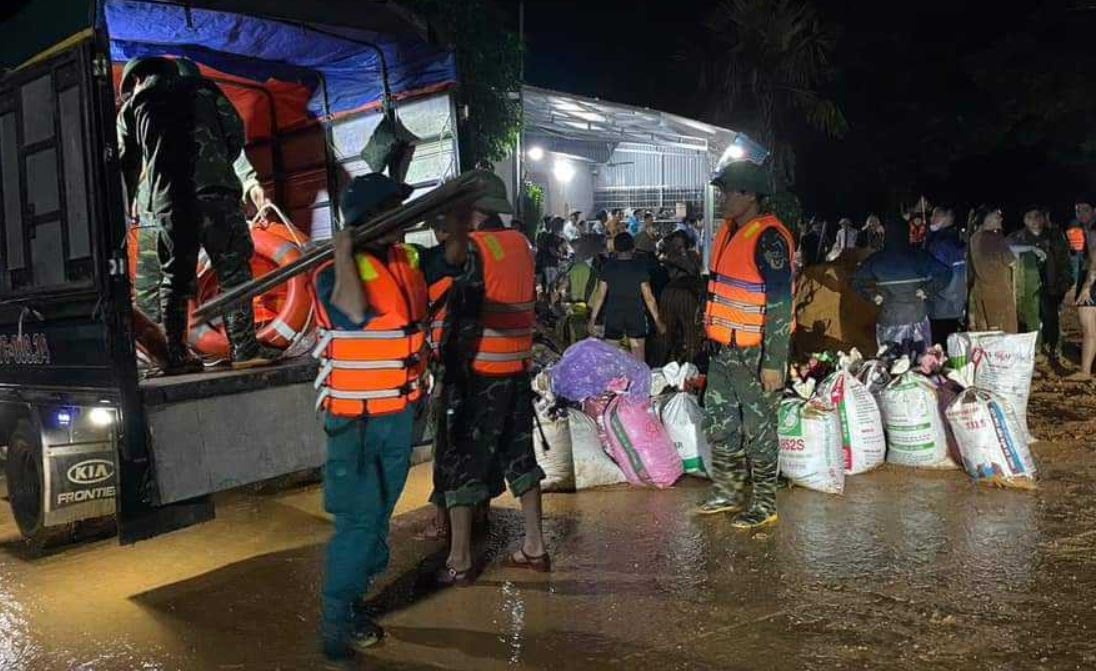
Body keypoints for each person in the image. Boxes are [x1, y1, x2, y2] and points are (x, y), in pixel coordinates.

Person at [311, 173, 468, 660]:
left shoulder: (409, 258)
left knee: (377, 520)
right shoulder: (331, 271)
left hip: (397, 417)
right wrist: (343, 249)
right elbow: (353, 311)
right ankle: (336, 626)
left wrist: (458, 217)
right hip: (354, 425)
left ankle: (353, 603)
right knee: (358, 524)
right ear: (370, 218)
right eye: (392, 210)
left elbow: (454, 259)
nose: (402, 218)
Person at [116, 56, 277, 375]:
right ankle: (244, 349)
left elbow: (126, 164)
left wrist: (131, 201)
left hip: (170, 203)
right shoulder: (205, 89)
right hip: (217, 195)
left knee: (174, 281)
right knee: (233, 272)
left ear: (136, 80)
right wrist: (214, 163)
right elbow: (234, 133)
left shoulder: (134, 107)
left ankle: (176, 357)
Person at [434, 171, 548, 585]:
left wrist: (446, 371)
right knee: (520, 454)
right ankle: (535, 545)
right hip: (516, 371)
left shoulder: (475, 251)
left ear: (475, 210)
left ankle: (460, 559)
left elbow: (463, 320)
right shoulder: (521, 244)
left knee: (462, 461)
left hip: (478, 376)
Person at [699, 160, 793, 529]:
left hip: (755, 354)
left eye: (728, 192)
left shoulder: (769, 239)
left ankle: (765, 503)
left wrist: (774, 361)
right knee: (721, 420)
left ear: (750, 195)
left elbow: (781, 305)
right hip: (723, 349)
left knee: (760, 428)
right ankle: (728, 492)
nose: (722, 198)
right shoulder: (728, 232)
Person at [853, 218, 950, 358]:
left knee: (891, 363)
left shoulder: (876, 259)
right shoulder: (919, 256)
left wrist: (872, 295)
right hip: (917, 319)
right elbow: (945, 273)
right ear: (906, 234)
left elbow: (856, 281)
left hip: (889, 321)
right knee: (921, 362)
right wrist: (928, 290)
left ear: (886, 236)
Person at [588, 232, 666, 362]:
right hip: (635, 315)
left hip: (613, 315)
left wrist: (592, 319)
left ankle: (614, 375)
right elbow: (649, 298)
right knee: (638, 358)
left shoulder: (608, 267)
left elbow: (600, 295)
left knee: (612, 357)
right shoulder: (639, 267)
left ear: (615, 248)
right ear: (633, 248)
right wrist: (658, 321)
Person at [1008, 208, 1072, 360]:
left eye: (1037, 216)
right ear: (1024, 219)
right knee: (1031, 318)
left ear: (1043, 218)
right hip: (1026, 285)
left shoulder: (1055, 236)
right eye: (1029, 216)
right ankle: (1035, 346)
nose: (1034, 220)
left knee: (1051, 317)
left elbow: (1064, 260)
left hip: (1051, 284)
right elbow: (1004, 249)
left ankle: (1054, 347)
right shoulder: (1017, 237)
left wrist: (1065, 282)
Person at [968, 207, 1018, 333]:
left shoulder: (974, 238)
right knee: (1004, 332)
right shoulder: (996, 238)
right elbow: (1011, 261)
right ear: (986, 220)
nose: (1001, 219)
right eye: (996, 216)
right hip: (999, 292)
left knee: (984, 331)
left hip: (981, 291)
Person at [925, 207, 968, 345]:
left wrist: (927, 292)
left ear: (947, 218)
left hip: (940, 305)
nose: (931, 219)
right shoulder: (958, 241)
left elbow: (936, 274)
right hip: (956, 304)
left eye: (935, 216)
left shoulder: (939, 244)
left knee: (939, 346)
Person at [1071, 195, 1096, 379]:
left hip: (1092, 280)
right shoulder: (1082, 230)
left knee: (1088, 327)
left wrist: (1087, 286)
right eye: (1078, 210)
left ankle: (1085, 371)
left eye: (1085, 209)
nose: (1081, 214)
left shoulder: (1093, 231)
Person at [559, 235, 599, 344]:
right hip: (590, 307)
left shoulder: (575, 268)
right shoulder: (594, 270)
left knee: (575, 334)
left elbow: (564, 285)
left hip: (575, 306)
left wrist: (558, 294)